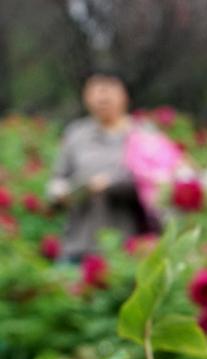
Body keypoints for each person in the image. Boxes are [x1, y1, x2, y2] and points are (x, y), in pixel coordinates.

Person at [48, 70, 154, 261]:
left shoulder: (143, 134)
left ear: (125, 95)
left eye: (109, 90)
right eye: (96, 91)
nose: (102, 97)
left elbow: (157, 180)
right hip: (79, 242)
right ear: (86, 97)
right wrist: (60, 192)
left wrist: (111, 184)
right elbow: (58, 177)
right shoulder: (76, 134)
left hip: (129, 245)